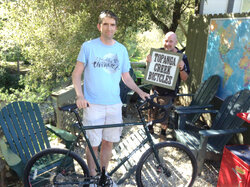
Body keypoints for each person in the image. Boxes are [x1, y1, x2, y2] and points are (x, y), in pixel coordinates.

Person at [72, 10, 149, 179]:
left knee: (108, 142)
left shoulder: (121, 49)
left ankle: (103, 175)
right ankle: (91, 176)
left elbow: (126, 77)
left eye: (112, 24)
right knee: (93, 144)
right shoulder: (88, 46)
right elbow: (76, 73)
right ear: (99, 26)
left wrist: (139, 91)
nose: (109, 28)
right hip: (92, 105)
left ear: (116, 28)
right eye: (105, 24)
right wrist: (79, 96)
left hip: (114, 104)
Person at [146, 31, 190, 136]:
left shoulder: (182, 57)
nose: (168, 43)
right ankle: (150, 132)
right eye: (166, 40)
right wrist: (148, 62)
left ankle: (162, 134)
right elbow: (150, 71)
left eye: (171, 41)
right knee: (151, 113)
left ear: (176, 42)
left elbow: (185, 78)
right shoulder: (157, 53)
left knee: (164, 117)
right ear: (163, 41)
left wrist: (182, 68)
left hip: (168, 94)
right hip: (155, 90)